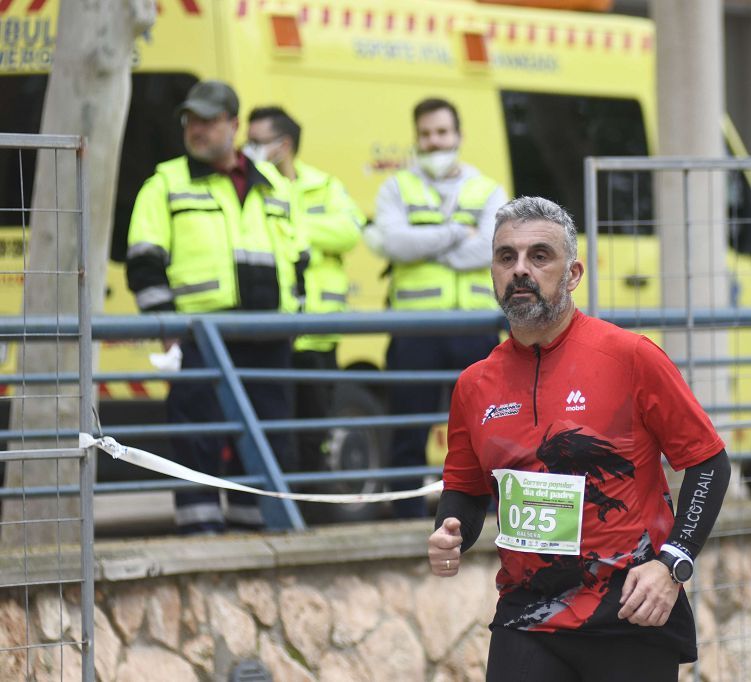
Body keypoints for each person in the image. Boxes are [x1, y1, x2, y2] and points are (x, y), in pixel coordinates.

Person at [427, 197, 731, 681]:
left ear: (572, 273)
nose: (520, 270)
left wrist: (673, 563)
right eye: (507, 257)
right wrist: (450, 534)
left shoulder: (631, 357)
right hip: (527, 616)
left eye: (539, 256)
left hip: (629, 612)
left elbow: (709, 463)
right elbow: (465, 490)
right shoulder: (475, 384)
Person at [126, 80, 308, 534]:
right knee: (197, 438)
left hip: (268, 337)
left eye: (208, 120)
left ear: (234, 124)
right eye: (191, 120)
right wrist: (169, 329)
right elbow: (144, 264)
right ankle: (200, 535)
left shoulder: (273, 187)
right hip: (199, 335)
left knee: (267, 440)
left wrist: (294, 321)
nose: (197, 129)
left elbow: (297, 261)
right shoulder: (166, 182)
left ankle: (258, 532)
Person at [364, 97, 509, 518]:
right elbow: (391, 242)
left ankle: (499, 514)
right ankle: (405, 515)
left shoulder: (487, 187)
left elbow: (490, 248)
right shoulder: (396, 186)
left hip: (475, 327)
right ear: (416, 138)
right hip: (415, 330)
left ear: (459, 136)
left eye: (442, 132)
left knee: (491, 428)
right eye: (426, 133)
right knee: (407, 428)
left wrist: (422, 245)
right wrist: (452, 235)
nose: (434, 141)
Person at [246, 106, 366, 472]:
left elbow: (349, 230)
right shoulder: (252, 184)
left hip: (318, 333)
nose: (247, 148)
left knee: (315, 431)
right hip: (274, 330)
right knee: (274, 430)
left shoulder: (323, 184)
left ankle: (313, 511)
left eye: (256, 141)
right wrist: (309, 231)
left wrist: (293, 227)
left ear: (283, 145)